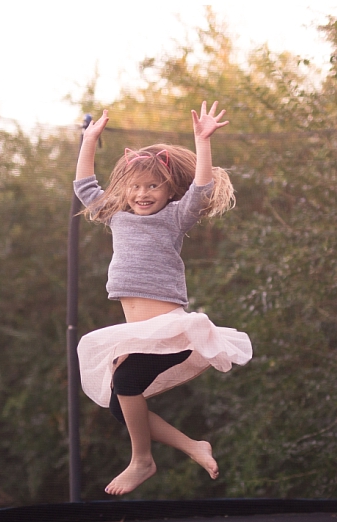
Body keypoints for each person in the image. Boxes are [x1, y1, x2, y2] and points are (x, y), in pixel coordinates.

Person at [74, 101, 253, 495]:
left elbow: (202, 189)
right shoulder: (117, 216)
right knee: (120, 405)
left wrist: (202, 142)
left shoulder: (174, 216)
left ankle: (142, 460)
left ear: (170, 189)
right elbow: (85, 187)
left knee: (124, 382)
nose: (142, 194)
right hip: (138, 334)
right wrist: (89, 141)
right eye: (135, 187)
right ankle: (192, 445)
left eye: (152, 186)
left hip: (170, 331)